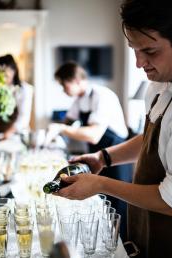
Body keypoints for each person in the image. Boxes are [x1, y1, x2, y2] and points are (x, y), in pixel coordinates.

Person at [55, 0, 172, 257]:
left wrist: (100, 184)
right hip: (157, 229)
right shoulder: (164, 78)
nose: (139, 63)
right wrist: (104, 157)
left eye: (150, 51)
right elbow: (152, 138)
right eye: (134, 49)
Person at [50, 61, 133, 241]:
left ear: (75, 80)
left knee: (117, 207)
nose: (63, 90)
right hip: (97, 157)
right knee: (100, 203)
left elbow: (94, 135)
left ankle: (123, 246)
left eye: (64, 85)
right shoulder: (79, 100)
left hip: (116, 156)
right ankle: (104, 241)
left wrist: (60, 129)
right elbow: (67, 123)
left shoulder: (101, 95)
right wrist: (54, 132)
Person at [0, 54, 34, 140]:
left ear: (14, 70)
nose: (2, 77)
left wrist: (8, 133)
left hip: (17, 136)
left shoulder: (25, 89)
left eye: (5, 73)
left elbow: (24, 118)